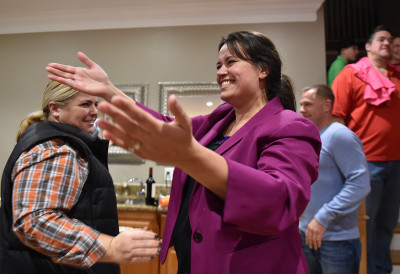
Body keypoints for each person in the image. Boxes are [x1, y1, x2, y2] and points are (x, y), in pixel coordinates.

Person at [46, 31, 321, 274]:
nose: (221, 71)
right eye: (218, 65)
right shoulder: (219, 120)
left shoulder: (291, 126)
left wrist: (189, 155)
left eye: (231, 62)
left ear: (263, 70)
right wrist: (109, 90)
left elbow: (280, 201)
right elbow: (166, 129)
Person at [0, 81, 161, 274]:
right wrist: (109, 247)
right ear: (55, 109)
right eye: (85, 104)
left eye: (95, 104)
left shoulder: (61, 145)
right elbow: (35, 221)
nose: (94, 111)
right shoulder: (57, 150)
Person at [331, 25, 400, 274]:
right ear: (368, 46)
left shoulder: (397, 76)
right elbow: (336, 120)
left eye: (391, 40)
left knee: (386, 223)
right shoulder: (350, 75)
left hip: (396, 163)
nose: (387, 43)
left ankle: (381, 270)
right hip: (364, 163)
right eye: (381, 39)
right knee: (364, 226)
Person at [299, 84, 370, 274]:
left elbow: (360, 184)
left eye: (308, 104)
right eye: (301, 104)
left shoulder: (340, 135)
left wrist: (323, 217)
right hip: (306, 235)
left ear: (326, 105)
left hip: (337, 241)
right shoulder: (310, 137)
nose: (301, 110)